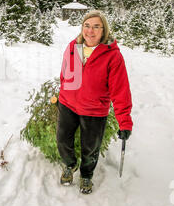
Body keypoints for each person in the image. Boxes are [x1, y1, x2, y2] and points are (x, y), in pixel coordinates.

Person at [57, 10, 133, 194]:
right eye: (87, 26)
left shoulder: (112, 55)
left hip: (94, 109)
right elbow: (64, 74)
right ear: (82, 27)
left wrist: (125, 121)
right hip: (68, 104)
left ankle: (86, 175)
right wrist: (63, 92)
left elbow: (120, 90)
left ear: (103, 30)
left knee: (90, 147)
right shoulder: (73, 47)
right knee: (62, 139)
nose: (90, 31)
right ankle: (69, 165)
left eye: (96, 27)